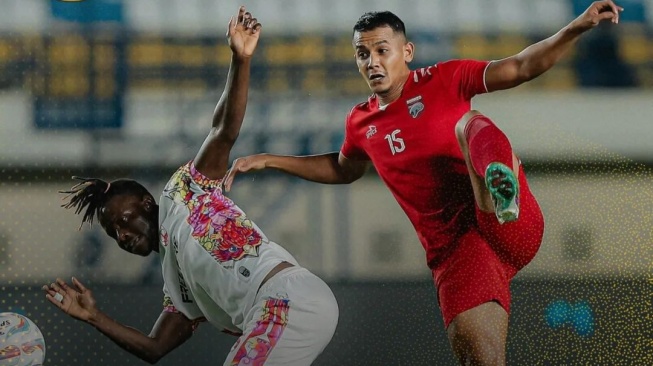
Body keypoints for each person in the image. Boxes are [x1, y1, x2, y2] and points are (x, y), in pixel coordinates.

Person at [222, 2, 623, 365]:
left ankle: (500, 185)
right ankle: (495, 186)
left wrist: (576, 26)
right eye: (363, 54)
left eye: (382, 50)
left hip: (509, 225)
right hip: (458, 253)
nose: (372, 62)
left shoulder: (445, 79)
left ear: (406, 52)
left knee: (470, 123)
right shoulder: (360, 123)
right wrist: (270, 160)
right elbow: (344, 169)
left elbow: (520, 67)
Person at [42, 6, 338, 365]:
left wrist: (240, 60)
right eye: (112, 232)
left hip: (285, 300)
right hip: (283, 313)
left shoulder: (183, 194)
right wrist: (92, 317)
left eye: (122, 220)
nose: (120, 235)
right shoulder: (177, 284)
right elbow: (154, 349)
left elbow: (223, 131)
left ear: (147, 204)